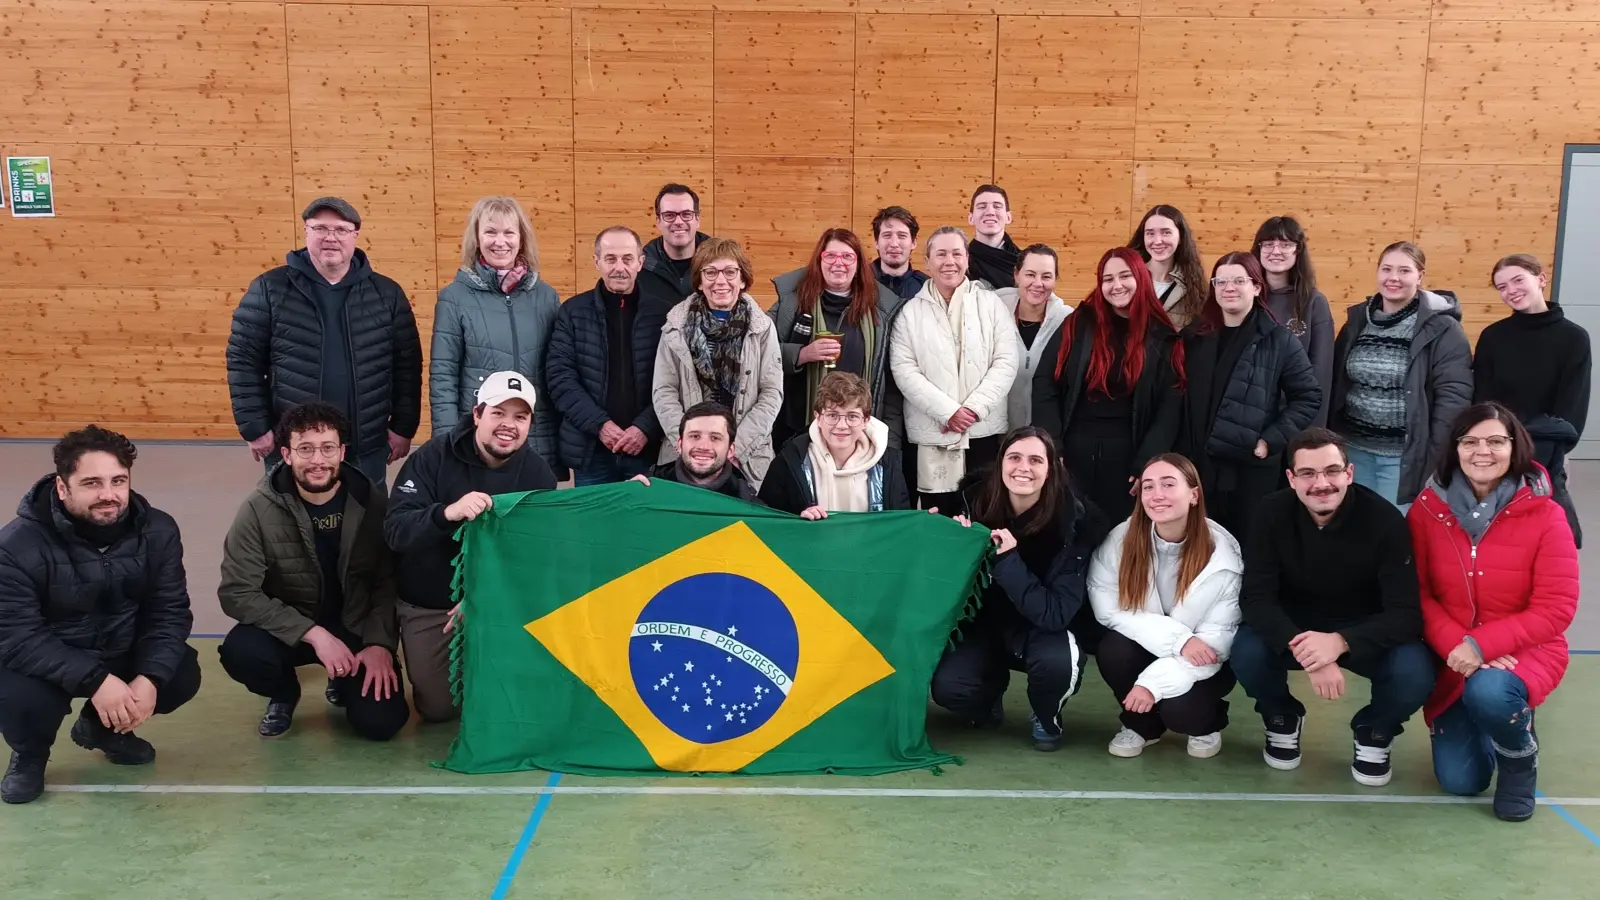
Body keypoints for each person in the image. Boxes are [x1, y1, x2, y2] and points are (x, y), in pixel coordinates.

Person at [0, 427, 200, 805]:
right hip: (52, 656)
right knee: (21, 699)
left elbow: (169, 611)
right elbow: (17, 636)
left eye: (118, 481)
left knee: (180, 673)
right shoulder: (16, 546)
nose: (108, 495)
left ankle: (101, 728)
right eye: (92, 483)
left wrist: (149, 678)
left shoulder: (158, 530)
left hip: (119, 648)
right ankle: (30, 755)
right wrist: (96, 680)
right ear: (62, 487)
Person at [1233, 428, 1434, 787]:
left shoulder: (1385, 521)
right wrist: (1311, 652)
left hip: (1363, 630)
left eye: (1331, 471)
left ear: (1349, 474)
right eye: (1308, 474)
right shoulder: (1270, 513)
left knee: (1414, 671)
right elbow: (1255, 598)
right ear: (1291, 478)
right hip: (1295, 627)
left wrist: (1340, 642)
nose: (1321, 483)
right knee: (1246, 651)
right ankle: (1281, 715)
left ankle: (1375, 728)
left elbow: (1405, 615)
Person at [1409, 403, 1579, 822]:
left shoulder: (1546, 514)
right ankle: (1499, 716)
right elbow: (1418, 595)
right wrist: (1459, 647)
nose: (1482, 451)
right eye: (1469, 441)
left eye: (1495, 441)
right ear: (1455, 448)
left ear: (1514, 447)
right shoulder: (1427, 510)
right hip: (1454, 656)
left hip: (1526, 649)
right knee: (1460, 781)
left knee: (1491, 692)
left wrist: (1481, 645)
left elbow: (1556, 608)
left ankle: (1519, 758)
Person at [217, 402, 410, 741]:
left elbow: (388, 580)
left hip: (354, 629)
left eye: (327, 448)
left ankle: (342, 678)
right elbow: (237, 592)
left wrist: (380, 643)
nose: (318, 460)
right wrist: (314, 634)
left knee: (382, 723)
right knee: (240, 653)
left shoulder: (373, 502)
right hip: (290, 628)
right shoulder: (258, 510)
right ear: (287, 454)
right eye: (305, 449)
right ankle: (283, 692)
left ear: (342, 452)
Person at [383, 372, 558, 723]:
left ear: (530, 425)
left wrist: (484, 597)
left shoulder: (540, 477)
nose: (508, 425)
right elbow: (395, 532)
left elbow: (535, 559)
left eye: (520, 417)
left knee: (518, 699)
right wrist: (446, 514)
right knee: (438, 709)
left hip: (496, 601)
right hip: (431, 604)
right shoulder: (431, 458)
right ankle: (404, 648)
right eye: (498, 413)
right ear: (477, 414)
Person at [930, 427, 1109, 751]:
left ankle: (1047, 713)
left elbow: (1055, 614)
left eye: (1035, 460)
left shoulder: (1076, 523)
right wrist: (941, 539)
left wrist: (1008, 559)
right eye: (1014, 458)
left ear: (1052, 468)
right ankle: (988, 698)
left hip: (1040, 627)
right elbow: (942, 582)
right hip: (982, 624)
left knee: (1059, 664)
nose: (1023, 468)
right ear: (1000, 463)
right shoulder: (968, 504)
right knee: (949, 688)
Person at [227, 196, 422, 491]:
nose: (330, 237)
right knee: (290, 525)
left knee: (367, 527)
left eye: (341, 230)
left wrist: (403, 427)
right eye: (320, 228)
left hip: (367, 443)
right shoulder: (269, 289)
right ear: (306, 232)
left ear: (355, 235)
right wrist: (255, 427)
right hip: (296, 443)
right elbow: (243, 362)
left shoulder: (387, 294)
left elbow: (407, 367)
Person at [1089, 454, 1242, 760]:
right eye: (1148, 487)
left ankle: (1206, 723)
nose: (1157, 495)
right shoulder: (1122, 538)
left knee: (1181, 712)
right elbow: (1106, 605)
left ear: (1194, 495)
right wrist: (1179, 640)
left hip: (1205, 660)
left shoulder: (1224, 557)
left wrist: (1151, 685)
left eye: (1169, 485)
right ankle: (1142, 725)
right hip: (1157, 647)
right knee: (1114, 649)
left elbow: (1216, 641)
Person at [1032, 248, 1184, 523]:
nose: (1116, 286)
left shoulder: (1162, 337)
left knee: (1117, 534)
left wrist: (1146, 463)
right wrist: (1051, 446)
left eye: (1125, 276)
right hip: (1073, 451)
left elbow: (1170, 407)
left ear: (1141, 278)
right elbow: (1045, 382)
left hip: (1127, 458)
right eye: (1108, 278)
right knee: (1068, 528)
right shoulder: (1079, 323)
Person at [1179, 252, 1321, 541]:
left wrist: (1268, 441)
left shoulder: (1279, 341)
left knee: (1250, 548)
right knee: (1198, 548)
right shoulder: (1194, 336)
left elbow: (1308, 396)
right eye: (1221, 281)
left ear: (1257, 287)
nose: (1228, 288)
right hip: (1197, 465)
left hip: (1250, 471)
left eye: (1238, 281)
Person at [1331, 241, 1473, 508]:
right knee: (1355, 526)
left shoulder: (1443, 329)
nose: (1393, 278)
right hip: (1353, 450)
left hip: (1404, 458)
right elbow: (1339, 381)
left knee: (1395, 531)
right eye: (1386, 269)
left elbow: (1453, 397)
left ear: (1420, 276)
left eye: (1404, 271)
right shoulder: (1357, 322)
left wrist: (1435, 455)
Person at [890, 226, 1020, 512]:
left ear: (967, 258)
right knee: (939, 514)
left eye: (957, 253)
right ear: (927, 261)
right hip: (934, 429)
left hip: (981, 429)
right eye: (941, 254)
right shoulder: (910, 312)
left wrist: (972, 410)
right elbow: (904, 369)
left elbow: (1006, 361)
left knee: (983, 511)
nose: (949, 261)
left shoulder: (991, 304)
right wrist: (947, 412)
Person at [428, 196, 561, 469]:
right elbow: (443, 375)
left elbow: (558, 372)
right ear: (476, 238)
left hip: (535, 437)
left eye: (509, 232)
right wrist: (447, 440)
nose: (500, 241)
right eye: (490, 231)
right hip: (478, 437)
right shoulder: (454, 298)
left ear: (521, 239)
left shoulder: (546, 297)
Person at [1473, 254, 1591, 546]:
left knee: (1555, 539)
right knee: (1496, 539)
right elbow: (1483, 404)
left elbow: (1570, 412)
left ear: (1541, 278)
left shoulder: (1574, 338)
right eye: (1501, 286)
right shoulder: (1493, 337)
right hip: (1497, 452)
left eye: (1517, 280)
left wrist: (1537, 451)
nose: (1510, 290)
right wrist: (1495, 447)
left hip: (1547, 455)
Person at [546, 226, 675, 485]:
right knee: (593, 524)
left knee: (644, 524)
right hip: (591, 452)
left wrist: (644, 428)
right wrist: (600, 425)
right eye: (610, 258)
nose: (619, 267)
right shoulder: (572, 312)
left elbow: (675, 381)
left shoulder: (663, 316)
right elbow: (560, 378)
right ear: (597, 262)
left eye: (627, 259)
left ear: (640, 263)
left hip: (647, 450)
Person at [653, 237, 783, 489]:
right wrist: (688, 443)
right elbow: (663, 391)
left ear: (742, 279)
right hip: (686, 458)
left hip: (746, 457)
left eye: (730, 272)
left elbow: (771, 393)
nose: (720, 281)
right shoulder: (675, 327)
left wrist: (735, 448)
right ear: (699, 282)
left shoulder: (763, 328)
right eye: (710, 272)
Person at [769, 228, 906, 450]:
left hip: (859, 432)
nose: (838, 263)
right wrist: (801, 355)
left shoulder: (881, 312)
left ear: (858, 263)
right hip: (798, 431)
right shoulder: (792, 303)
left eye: (847, 256)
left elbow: (891, 383)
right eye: (830, 255)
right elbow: (762, 353)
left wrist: (890, 441)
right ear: (819, 260)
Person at [758, 372, 910, 516]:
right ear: (817, 417)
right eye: (832, 415)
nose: (842, 425)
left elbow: (902, 521)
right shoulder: (791, 461)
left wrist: (926, 521)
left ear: (866, 421)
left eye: (852, 416)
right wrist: (799, 518)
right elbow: (770, 516)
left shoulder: (888, 464)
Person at [1253, 216, 1335, 427]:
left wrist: (1310, 434)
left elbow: (1320, 374)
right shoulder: (1246, 297)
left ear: (1297, 250)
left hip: (1294, 420)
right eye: (1268, 244)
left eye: (1285, 244)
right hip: (1249, 418)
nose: (1276, 251)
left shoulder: (1314, 302)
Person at [996, 244, 1072, 429]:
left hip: (1046, 435)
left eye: (1046, 276)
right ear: (1016, 275)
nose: (1038, 283)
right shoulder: (994, 310)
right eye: (1030, 274)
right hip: (996, 433)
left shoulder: (1069, 321)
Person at [633, 401, 762, 503]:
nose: (704, 446)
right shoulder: (647, 486)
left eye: (715, 438)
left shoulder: (748, 504)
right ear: (679, 444)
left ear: (730, 450)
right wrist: (626, 496)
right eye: (695, 436)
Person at [1129, 205, 1207, 330]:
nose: (1157, 241)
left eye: (1166, 232)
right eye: (1150, 233)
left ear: (1181, 237)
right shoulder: (1126, 277)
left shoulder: (1194, 290)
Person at [641, 183, 711, 301]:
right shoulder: (640, 267)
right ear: (658, 221)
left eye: (686, 214)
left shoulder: (721, 263)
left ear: (697, 219)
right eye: (669, 215)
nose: (678, 221)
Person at [966, 184, 1021, 290]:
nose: (990, 212)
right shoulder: (961, 261)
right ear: (971, 218)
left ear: (1008, 217)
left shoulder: (1025, 262)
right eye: (982, 207)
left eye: (997, 206)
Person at [871, 206, 929, 300]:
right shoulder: (858, 284)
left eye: (902, 236)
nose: (894, 244)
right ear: (876, 242)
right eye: (887, 235)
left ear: (913, 242)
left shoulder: (927, 289)